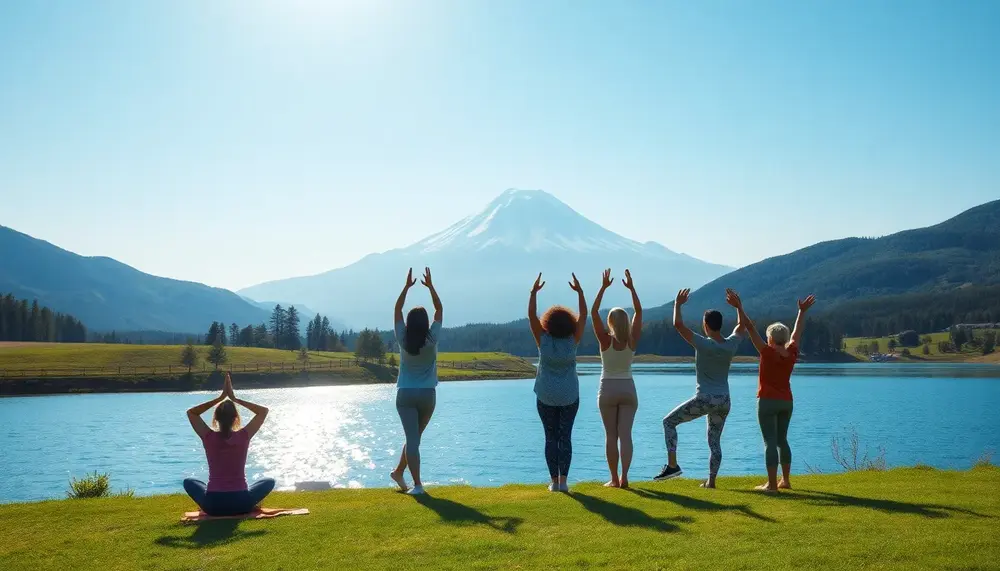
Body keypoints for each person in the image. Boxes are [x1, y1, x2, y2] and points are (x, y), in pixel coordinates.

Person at [654, 288, 744, 488]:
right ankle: (711, 482)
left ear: (705, 325)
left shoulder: (703, 344)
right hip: (724, 400)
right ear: (720, 325)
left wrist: (677, 304)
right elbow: (741, 326)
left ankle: (672, 465)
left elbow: (678, 325)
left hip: (705, 399)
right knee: (714, 441)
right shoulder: (730, 345)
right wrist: (739, 307)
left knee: (668, 422)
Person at [728, 288, 815, 492]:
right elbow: (797, 332)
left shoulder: (766, 352)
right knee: (782, 440)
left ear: (769, 338)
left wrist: (739, 307)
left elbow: (749, 327)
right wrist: (802, 312)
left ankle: (772, 485)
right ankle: (785, 480)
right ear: (784, 338)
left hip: (767, 400)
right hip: (787, 401)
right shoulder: (791, 351)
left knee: (769, 442)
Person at [183, 373, 274, 516]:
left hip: (213, 505)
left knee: (188, 481)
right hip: (242, 503)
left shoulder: (208, 436)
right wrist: (234, 399)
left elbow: (192, 413)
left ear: (216, 418)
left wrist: (219, 398)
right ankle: (247, 504)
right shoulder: (244, 436)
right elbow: (263, 411)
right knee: (269, 481)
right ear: (235, 418)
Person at [529, 272, 587, 492]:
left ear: (548, 323)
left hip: (545, 396)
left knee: (550, 438)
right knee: (566, 437)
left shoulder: (542, 340)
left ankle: (554, 481)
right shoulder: (573, 341)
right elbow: (583, 316)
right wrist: (580, 293)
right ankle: (564, 482)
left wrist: (533, 293)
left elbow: (531, 316)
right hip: (569, 396)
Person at [389, 267, 443, 496]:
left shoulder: (402, 338)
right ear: (426, 323)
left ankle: (399, 472)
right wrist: (431, 287)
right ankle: (418, 485)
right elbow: (439, 309)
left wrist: (406, 287)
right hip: (427, 395)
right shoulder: (432, 338)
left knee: (413, 438)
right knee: (414, 438)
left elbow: (397, 309)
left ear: (410, 323)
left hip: (406, 395)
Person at [591, 268, 643, 489]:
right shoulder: (632, 340)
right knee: (626, 435)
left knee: (611, 436)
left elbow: (593, 313)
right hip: (628, 389)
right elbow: (639, 311)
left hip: (608, 389)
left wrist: (603, 288)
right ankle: (625, 478)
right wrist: (632, 288)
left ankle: (613, 479)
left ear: (610, 323)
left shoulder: (605, 340)